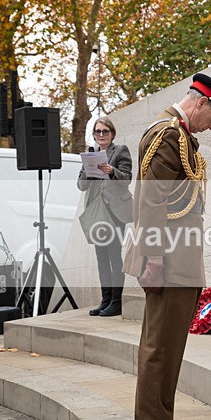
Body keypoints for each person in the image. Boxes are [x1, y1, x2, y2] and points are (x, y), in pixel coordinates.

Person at [124, 73, 211, 420]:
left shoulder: (178, 135)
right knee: (159, 353)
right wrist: (155, 260)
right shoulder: (168, 135)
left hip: (178, 262)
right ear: (201, 103)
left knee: (167, 353)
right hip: (168, 264)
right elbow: (152, 202)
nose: (210, 127)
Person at [77, 116, 133, 317]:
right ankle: (105, 300)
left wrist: (111, 171)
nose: (101, 135)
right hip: (97, 212)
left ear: (112, 133)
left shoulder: (120, 151)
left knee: (114, 257)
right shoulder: (90, 154)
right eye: (98, 131)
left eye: (105, 131)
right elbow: (81, 185)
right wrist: (88, 171)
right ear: (93, 135)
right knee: (101, 258)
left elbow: (127, 179)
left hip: (115, 211)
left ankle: (116, 302)